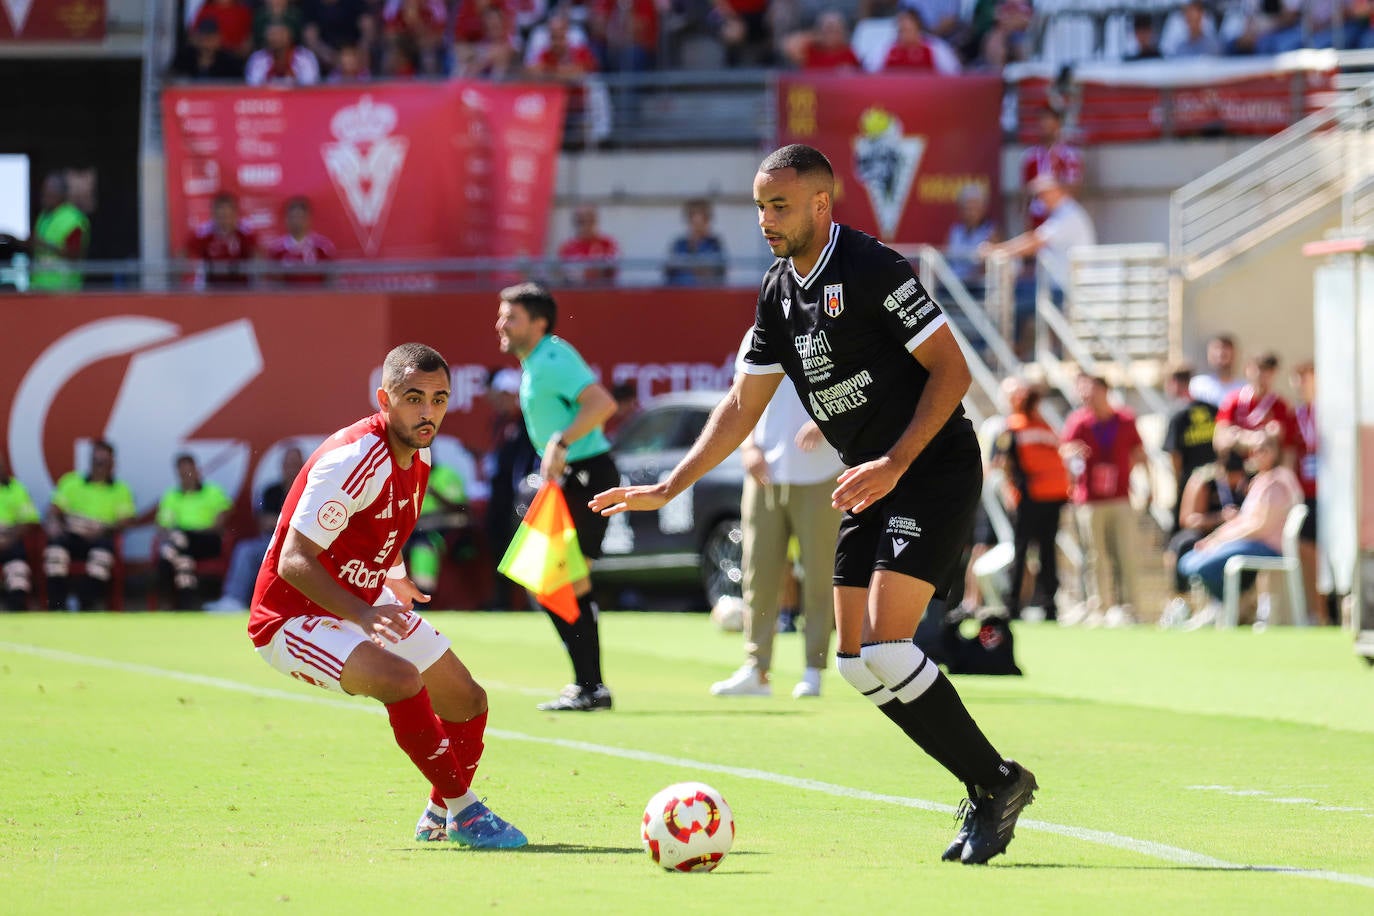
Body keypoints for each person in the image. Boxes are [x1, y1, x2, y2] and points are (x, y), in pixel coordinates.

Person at [590, 144, 1037, 865]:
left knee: (891, 648)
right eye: (760, 206)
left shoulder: (872, 269)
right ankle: (989, 783)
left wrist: (895, 461)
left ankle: (997, 784)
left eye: (780, 205)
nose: (766, 220)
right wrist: (670, 483)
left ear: (821, 204)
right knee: (857, 664)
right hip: (871, 476)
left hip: (929, 468)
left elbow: (953, 373)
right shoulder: (776, 291)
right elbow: (740, 405)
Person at [248, 343, 526, 849]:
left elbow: (377, 531)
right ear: (385, 399)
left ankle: (438, 816)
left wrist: (393, 576)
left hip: (361, 607)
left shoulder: (416, 463)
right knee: (400, 679)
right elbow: (293, 560)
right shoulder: (355, 458)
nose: (428, 412)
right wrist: (362, 611)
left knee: (467, 699)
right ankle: (466, 812)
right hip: (291, 618)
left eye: (439, 399)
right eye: (413, 398)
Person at [496, 282, 620, 711]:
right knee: (555, 581)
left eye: (511, 317)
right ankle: (589, 686)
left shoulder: (551, 357)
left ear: (539, 322)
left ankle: (591, 687)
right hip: (570, 478)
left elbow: (602, 404)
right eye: (503, 315)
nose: (502, 324)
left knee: (561, 580)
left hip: (584, 475)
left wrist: (561, 442)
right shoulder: (537, 361)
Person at [710, 331, 844, 699]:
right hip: (764, 472)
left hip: (821, 472)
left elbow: (857, 390)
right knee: (758, 574)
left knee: (819, 577)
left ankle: (813, 670)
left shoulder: (834, 328)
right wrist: (748, 446)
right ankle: (757, 669)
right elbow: (742, 399)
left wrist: (826, 421)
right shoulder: (757, 334)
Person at [1177, 428, 1303, 626]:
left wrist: (1222, 540)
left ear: (1276, 451)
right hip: (1250, 542)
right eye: (1256, 449)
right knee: (1189, 561)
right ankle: (1228, 607)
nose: (1259, 454)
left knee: (1204, 565)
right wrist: (1214, 539)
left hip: (1266, 546)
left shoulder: (1278, 481)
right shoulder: (1260, 481)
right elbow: (1242, 521)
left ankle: (1229, 608)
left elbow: (1260, 527)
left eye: (1265, 449)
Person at [1059, 373, 1148, 627]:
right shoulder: (1079, 421)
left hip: (1120, 496)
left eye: (1090, 390)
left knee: (1125, 553)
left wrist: (1146, 484)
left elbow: (1139, 452)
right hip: (1089, 499)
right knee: (1094, 556)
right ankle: (1100, 607)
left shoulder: (1125, 419)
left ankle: (1131, 607)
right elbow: (1063, 449)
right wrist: (1071, 454)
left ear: (1104, 390)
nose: (1086, 396)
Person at [982, 175, 1095, 357]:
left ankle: (1010, 355)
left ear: (1056, 191)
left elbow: (1035, 242)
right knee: (1020, 300)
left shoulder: (1069, 214)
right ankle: (1018, 354)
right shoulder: (1064, 213)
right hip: (1058, 288)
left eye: (1042, 194)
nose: (1039, 200)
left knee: (1016, 305)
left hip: (1064, 290)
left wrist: (998, 250)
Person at [991, 377, 1069, 621]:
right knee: (1034, 551)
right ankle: (1029, 604)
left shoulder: (1025, 426)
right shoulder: (1022, 427)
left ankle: (1033, 605)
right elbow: (1002, 463)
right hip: (1036, 496)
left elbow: (1002, 463)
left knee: (1035, 551)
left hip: (1042, 496)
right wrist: (1009, 491)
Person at [206, 446, 305, 613]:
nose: (292, 468)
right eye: (288, 464)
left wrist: (282, 521)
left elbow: (308, 523)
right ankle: (233, 599)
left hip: (302, 544)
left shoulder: (310, 488)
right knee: (245, 550)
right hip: (272, 542)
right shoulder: (271, 491)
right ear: (282, 466)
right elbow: (264, 522)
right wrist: (290, 521)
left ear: (303, 464)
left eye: (295, 464)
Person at [44, 440, 136, 611]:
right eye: (96, 461)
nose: (99, 465)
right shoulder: (71, 482)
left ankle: (84, 607)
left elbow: (126, 520)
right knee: (54, 552)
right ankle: (57, 608)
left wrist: (102, 528)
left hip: (101, 535)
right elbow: (54, 509)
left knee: (101, 559)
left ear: (112, 463)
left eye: (104, 461)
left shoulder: (120, 489)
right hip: (72, 533)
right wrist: (54, 524)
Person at [1159, 450, 1249, 627]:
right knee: (1184, 544)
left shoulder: (1246, 483)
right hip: (1202, 535)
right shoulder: (1204, 481)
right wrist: (1219, 518)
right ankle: (1181, 602)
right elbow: (1188, 519)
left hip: (1232, 536)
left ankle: (1235, 606)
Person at [481, 367, 538, 611]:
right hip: (501, 498)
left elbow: (526, 465)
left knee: (524, 548)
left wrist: (523, 492)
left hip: (520, 499)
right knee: (499, 547)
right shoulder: (501, 423)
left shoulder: (528, 424)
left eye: (503, 396)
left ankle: (528, 602)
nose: (499, 402)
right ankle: (502, 600)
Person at [155, 453, 234, 610]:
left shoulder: (212, 492)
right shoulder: (171, 496)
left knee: (175, 543)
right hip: (183, 546)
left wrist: (193, 532)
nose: (187, 476)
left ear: (197, 471)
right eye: (182, 473)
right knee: (184, 561)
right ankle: (187, 607)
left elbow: (221, 521)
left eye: (189, 471)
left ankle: (161, 589)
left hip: (207, 540)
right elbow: (163, 526)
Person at [1291, 361, 1332, 623]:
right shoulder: (1296, 415)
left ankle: (1333, 610)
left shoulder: (1331, 412)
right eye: (1299, 378)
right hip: (1306, 494)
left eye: (1309, 377)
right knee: (1307, 550)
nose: (1304, 383)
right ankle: (1318, 611)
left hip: (1331, 495)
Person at [0, 173, 91, 291]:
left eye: (48, 193)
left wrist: (45, 245)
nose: (43, 197)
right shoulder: (44, 216)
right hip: (39, 288)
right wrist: (13, 239)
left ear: (59, 194)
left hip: (63, 290)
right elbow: (35, 244)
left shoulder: (74, 219)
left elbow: (74, 254)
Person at [1214, 352, 1298, 467]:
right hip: (1235, 470)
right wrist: (1252, 439)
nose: (1261, 375)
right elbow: (1220, 439)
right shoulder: (1234, 400)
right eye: (1258, 369)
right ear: (1247, 370)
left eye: (1268, 371)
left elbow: (1287, 447)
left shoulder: (1281, 405)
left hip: (1266, 471)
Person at [1162, 363, 1217, 536]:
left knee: (1182, 534)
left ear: (1173, 383)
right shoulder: (1212, 409)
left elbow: (1174, 455)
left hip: (1190, 485)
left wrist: (1177, 483)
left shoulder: (1177, 415)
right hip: (1215, 483)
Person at [1019, 106, 1083, 231]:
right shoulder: (1030, 157)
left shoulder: (1069, 156)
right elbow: (1026, 193)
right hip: (1037, 219)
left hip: (1061, 218)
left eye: (1048, 121)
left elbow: (1074, 189)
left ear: (1058, 124)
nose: (1044, 125)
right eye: (1041, 121)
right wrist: (1026, 222)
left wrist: (1050, 188)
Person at [187, 192, 256, 288]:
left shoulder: (246, 233)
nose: (225, 221)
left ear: (235, 215)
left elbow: (258, 256)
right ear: (213, 215)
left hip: (241, 289)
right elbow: (185, 255)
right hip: (210, 290)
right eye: (221, 217)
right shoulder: (202, 234)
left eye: (228, 216)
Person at [0, 452, 40, 611]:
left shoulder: (17, 489)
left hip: (10, 541)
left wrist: (8, 539)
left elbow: (29, 521)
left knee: (18, 573)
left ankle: (17, 618)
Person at [265, 197, 336, 285]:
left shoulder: (323, 247)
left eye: (300, 217)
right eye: (292, 217)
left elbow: (331, 278)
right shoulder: (276, 249)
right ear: (285, 220)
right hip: (287, 297)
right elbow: (272, 280)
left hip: (316, 297)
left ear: (308, 219)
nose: (296, 222)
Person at [943, 183, 998, 291]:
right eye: (967, 207)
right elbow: (945, 260)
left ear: (983, 208)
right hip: (952, 287)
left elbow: (989, 266)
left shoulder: (991, 232)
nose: (971, 212)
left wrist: (968, 279)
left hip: (977, 288)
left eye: (975, 207)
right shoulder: (955, 231)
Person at [664, 198, 727, 287]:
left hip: (706, 296)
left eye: (703, 218)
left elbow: (719, 274)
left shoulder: (715, 244)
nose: (697, 224)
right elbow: (669, 273)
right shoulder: (679, 244)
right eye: (692, 217)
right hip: (680, 295)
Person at [556, 205, 619, 286]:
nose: (586, 224)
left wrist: (585, 272)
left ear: (595, 220)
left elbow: (612, 270)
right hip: (574, 293)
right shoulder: (567, 246)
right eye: (581, 221)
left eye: (589, 219)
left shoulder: (607, 243)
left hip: (600, 292)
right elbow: (559, 273)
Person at [245, 21, 322, 85]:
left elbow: (310, 86)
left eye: (280, 33)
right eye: (272, 34)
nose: (276, 38)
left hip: (298, 100)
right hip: (268, 101)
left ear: (290, 35)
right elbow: (253, 86)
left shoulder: (305, 57)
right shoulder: (257, 58)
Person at [170, 18, 246, 80]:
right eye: (203, 38)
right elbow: (170, 76)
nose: (206, 42)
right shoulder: (184, 57)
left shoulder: (230, 61)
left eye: (210, 38)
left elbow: (238, 84)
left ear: (219, 39)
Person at [1188, 333, 1243, 408]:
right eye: (1216, 349)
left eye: (1225, 354)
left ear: (1234, 355)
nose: (1220, 353)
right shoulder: (1196, 385)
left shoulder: (1244, 388)